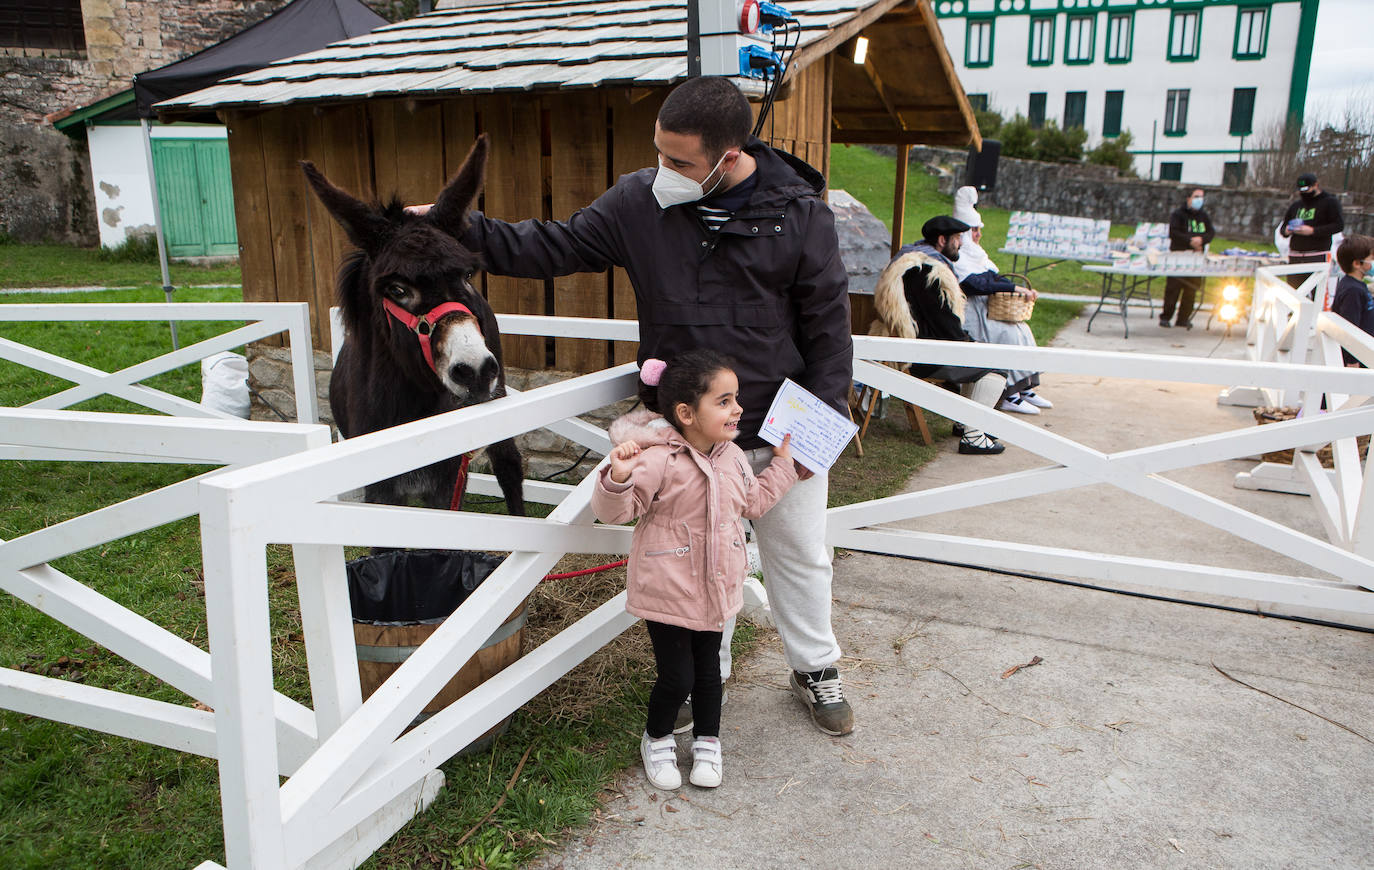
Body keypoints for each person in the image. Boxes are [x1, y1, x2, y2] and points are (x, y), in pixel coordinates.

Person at [413, 76, 855, 736]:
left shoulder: (801, 219)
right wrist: (456, 229)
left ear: (729, 157)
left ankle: (816, 668)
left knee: (800, 553)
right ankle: (713, 673)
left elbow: (827, 333)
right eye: (659, 154)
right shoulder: (638, 203)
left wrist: (812, 442)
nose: (663, 172)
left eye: (680, 162)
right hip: (685, 432)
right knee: (699, 557)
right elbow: (551, 245)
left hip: (774, 426)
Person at [592, 351, 797, 789]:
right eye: (724, 401)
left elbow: (754, 502)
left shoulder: (733, 457)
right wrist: (618, 477)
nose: (737, 408)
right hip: (668, 589)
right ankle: (657, 738)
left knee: (709, 673)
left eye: (736, 398)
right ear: (686, 413)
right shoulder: (658, 460)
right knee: (677, 675)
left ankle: (708, 740)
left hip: (718, 586)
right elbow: (618, 512)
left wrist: (782, 465)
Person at [872, 214, 1009, 455]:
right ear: (942, 240)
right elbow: (943, 324)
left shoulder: (913, 263)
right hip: (921, 356)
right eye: (957, 238)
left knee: (982, 359)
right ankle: (973, 436)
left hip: (912, 347)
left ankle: (966, 422)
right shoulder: (927, 272)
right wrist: (968, 344)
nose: (961, 243)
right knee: (995, 369)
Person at [950, 186, 1051, 415]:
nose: (979, 235)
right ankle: (1008, 393)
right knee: (1008, 334)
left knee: (1022, 330)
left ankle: (1025, 387)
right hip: (973, 314)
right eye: (975, 230)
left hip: (987, 309)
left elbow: (992, 277)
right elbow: (976, 283)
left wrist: (1017, 288)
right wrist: (1011, 286)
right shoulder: (960, 257)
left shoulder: (977, 254)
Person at [1160, 188, 1215, 329]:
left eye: (1201, 197)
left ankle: (1183, 318)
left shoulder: (1204, 216)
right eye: (1196, 196)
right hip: (1179, 256)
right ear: (1189, 198)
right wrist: (1190, 240)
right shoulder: (1178, 215)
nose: (1199, 200)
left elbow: (1211, 232)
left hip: (1196, 257)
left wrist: (1201, 240)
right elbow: (1174, 232)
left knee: (1191, 290)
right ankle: (1166, 317)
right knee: (1173, 289)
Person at [1280, 173, 1345, 291]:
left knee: (1317, 293)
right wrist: (1287, 230)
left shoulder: (1330, 202)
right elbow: (1283, 227)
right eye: (1301, 191)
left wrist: (1313, 231)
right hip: (1295, 256)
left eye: (1307, 189)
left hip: (1317, 255)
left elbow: (1338, 225)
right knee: (1293, 293)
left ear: (1316, 185)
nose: (1304, 193)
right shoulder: (1296, 206)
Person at [1332, 235, 1374, 367]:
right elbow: (1349, 328)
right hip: (1360, 357)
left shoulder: (1356, 285)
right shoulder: (1352, 291)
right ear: (1357, 264)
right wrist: (1352, 361)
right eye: (1371, 259)